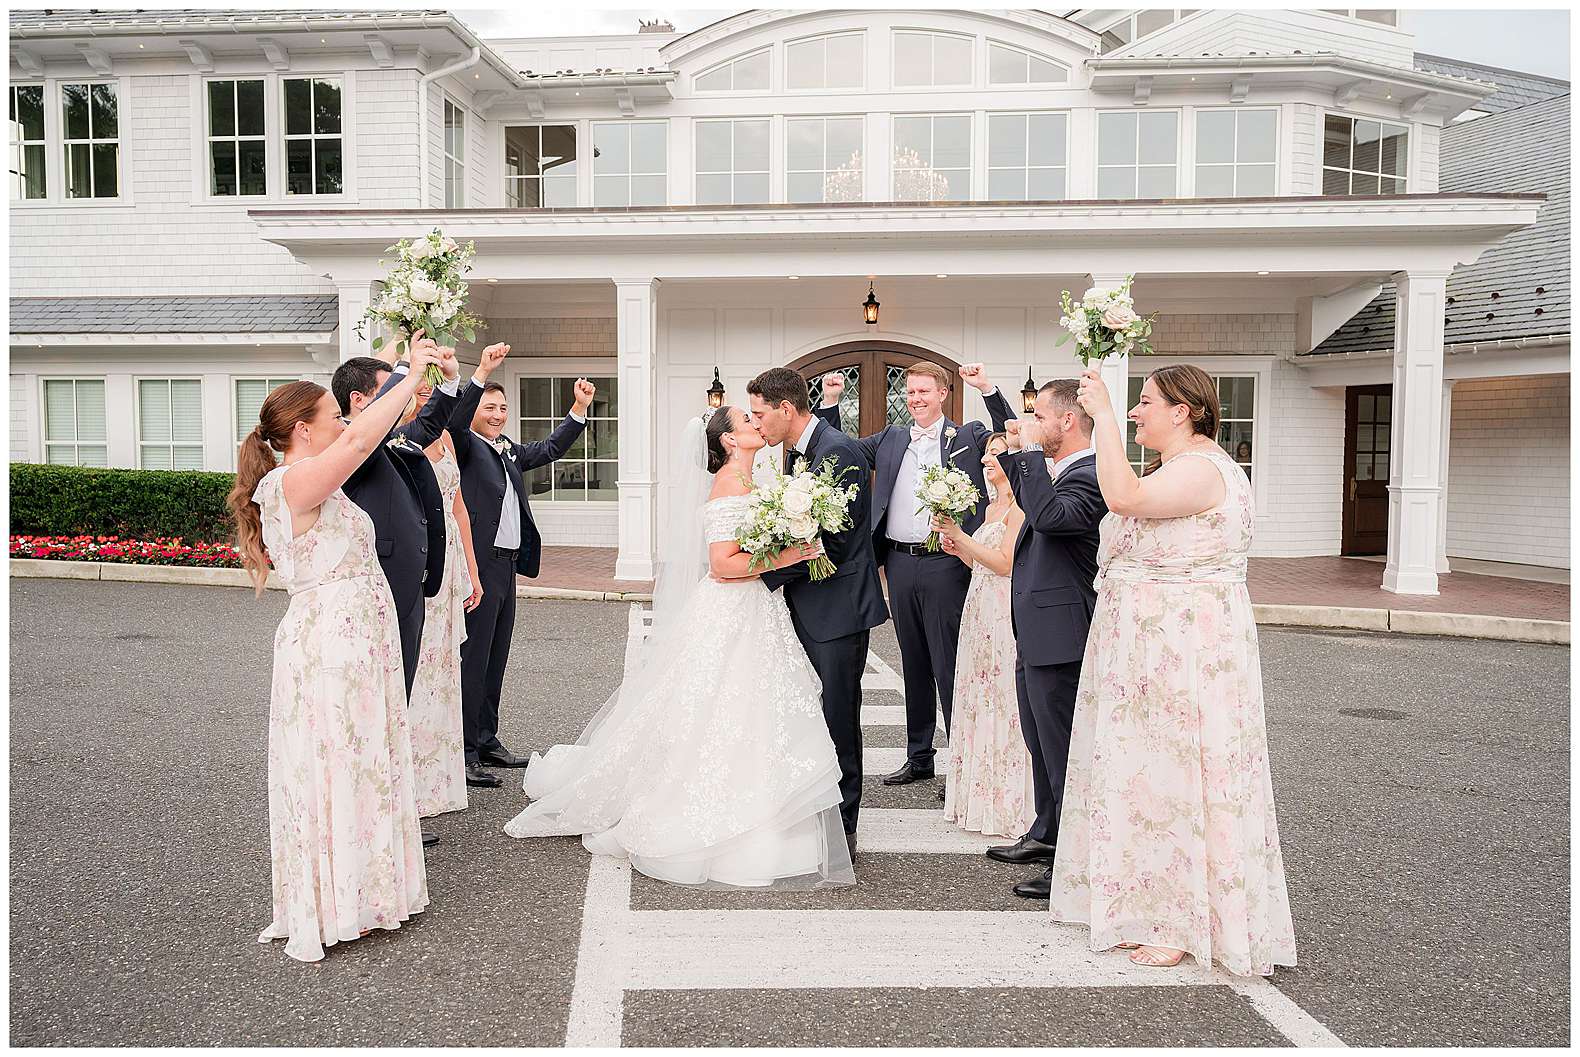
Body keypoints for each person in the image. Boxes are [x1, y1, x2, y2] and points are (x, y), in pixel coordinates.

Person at [505, 406, 854, 890]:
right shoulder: (730, 484)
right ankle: (711, 818)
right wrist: (797, 550)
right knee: (722, 711)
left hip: (757, 609)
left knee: (756, 713)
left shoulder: (759, 480)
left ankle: (769, 822)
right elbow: (723, 566)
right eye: (746, 421)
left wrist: (791, 537)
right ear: (730, 441)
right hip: (732, 609)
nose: (757, 424)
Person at [1052, 365, 1296, 975]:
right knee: (1148, 773)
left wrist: (1102, 415)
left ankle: (1183, 917)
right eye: (1133, 406)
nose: (1137, 413)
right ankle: (1146, 900)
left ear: (1182, 410)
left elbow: (1123, 499)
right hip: (1150, 643)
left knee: (1181, 770)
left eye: (1145, 403)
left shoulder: (1202, 470)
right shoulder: (1178, 467)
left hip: (1186, 649)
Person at [226, 343, 439, 962]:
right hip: (328, 647)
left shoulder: (322, 480)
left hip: (358, 643)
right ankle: (339, 901)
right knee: (337, 763)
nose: (343, 424)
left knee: (365, 759)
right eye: (333, 415)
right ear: (303, 429)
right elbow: (359, 442)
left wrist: (411, 378)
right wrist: (407, 376)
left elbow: (368, 436)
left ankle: (370, 894)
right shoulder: (291, 481)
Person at [813, 363, 1015, 791]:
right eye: (910, 393)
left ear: (943, 393)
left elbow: (1009, 438)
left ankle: (961, 761)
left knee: (949, 663)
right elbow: (838, 450)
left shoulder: (966, 437)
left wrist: (988, 388)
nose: (916, 399)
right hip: (899, 564)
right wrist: (830, 403)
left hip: (947, 561)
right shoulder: (890, 439)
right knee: (915, 662)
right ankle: (918, 755)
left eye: (924, 391)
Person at [751, 367, 889, 855]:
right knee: (811, 712)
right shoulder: (802, 453)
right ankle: (815, 811)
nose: (757, 424)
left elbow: (836, 537)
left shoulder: (839, 451)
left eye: (761, 414)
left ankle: (844, 825)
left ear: (786, 409)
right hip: (810, 602)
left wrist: (763, 571)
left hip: (839, 607)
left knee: (837, 715)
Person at [987, 381, 1106, 901]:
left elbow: (1050, 518)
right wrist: (995, 400)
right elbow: (1020, 474)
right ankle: (1046, 829)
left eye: (1039, 417)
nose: (1029, 427)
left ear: (1067, 423)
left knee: (1062, 749)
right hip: (1036, 628)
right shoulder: (1052, 468)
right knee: (1039, 740)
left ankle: (1070, 861)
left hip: (1064, 634)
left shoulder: (1092, 475)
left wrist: (1029, 449)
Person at [454, 377, 592, 788]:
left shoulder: (506, 448)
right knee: (473, 657)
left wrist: (579, 410)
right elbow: (458, 423)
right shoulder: (462, 444)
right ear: (472, 410)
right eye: (488, 407)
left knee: (496, 655)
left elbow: (547, 449)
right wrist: (478, 375)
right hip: (479, 563)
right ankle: (461, 752)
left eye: (502, 407)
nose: (498, 415)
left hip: (506, 566)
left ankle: (485, 737)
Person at [393, 342, 510, 817]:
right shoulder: (407, 437)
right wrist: (473, 372)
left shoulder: (442, 439)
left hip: (456, 562)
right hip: (425, 562)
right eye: (420, 388)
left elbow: (458, 506)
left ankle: (442, 773)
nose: (426, 395)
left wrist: (473, 573)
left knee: (445, 665)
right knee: (423, 670)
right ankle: (413, 778)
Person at [932, 432, 1034, 838]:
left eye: (997, 455)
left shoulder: (1020, 508)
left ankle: (1012, 801)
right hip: (979, 607)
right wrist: (960, 550)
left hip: (1003, 609)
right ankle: (979, 795)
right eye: (987, 455)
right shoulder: (992, 508)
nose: (988, 460)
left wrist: (961, 536)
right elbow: (982, 563)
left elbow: (1007, 564)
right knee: (979, 693)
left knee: (1004, 696)